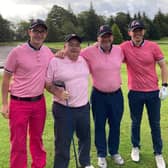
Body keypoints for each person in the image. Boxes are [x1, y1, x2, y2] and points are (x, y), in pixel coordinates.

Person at [56, 25, 125, 168]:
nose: (106, 39)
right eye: (102, 36)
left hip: (117, 95)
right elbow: (73, 52)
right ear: (98, 38)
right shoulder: (88, 52)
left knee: (115, 125)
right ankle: (101, 154)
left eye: (108, 36)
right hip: (99, 95)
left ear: (112, 37)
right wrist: (62, 52)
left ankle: (114, 152)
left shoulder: (120, 50)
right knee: (99, 125)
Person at [1, 19, 54, 168]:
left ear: (46, 34)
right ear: (29, 32)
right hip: (19, 103)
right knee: (18, 141)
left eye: (42, 31)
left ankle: (39, 165)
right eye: (35, 31)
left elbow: (56, 64)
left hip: (39, 102)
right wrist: (4, 104)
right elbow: (6, 80)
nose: (38, 34)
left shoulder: (47, 51)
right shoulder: (17, 52)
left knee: (37, 139)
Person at [120, 20, 168, 168]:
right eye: (134, 31)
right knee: (135, 122)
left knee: (155, 124)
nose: (137, 33)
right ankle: (135, 147)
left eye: (140, 30)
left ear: (144, 32)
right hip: (135, 92)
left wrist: (165, 85)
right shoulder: (124, 47)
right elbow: (107, 53)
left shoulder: (153, 46)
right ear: (129, 33)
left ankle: (158, 153)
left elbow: (163, 66)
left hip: (153, 93)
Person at [45, 34, 94, 168]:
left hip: (83, 107)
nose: (74, 47)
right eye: (70, 45)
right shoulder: (55, 61)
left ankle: (85, 163)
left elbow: (98, 46)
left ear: (80, 48)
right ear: (64, 46)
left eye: (77, 45)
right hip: (63, 109)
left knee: (85, 138)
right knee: (63, 142)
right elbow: (47, 83)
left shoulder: (84, 60)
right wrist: (58, 92)